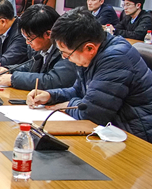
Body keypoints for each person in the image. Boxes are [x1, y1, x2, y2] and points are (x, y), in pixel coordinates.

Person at [28, 8, 152, 143]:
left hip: (134, 137)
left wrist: (67, 104)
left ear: (89, 48)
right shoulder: (92, 54)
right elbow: (79, 91)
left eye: (67, 54)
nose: (64, 58)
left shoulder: (115, 59)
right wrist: (51, 96)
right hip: (111, 130)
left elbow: (92, 115)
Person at [0, 4, 77, 90]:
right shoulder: (41, 46)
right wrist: (8, 70)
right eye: (25, 38)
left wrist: (13, 79)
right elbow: (31, 66)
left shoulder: (66, 48)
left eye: (30, 38)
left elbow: (53, 80)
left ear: (48, 34)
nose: (27, 42)